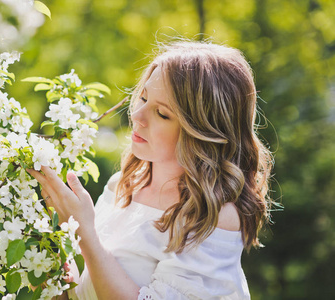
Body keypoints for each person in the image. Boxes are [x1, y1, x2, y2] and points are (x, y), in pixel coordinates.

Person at [27, 40, 273, 300]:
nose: (137, 116)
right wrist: (42, 258)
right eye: (143, 98)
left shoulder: (212, 217)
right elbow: (85, 292)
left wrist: (85, 233)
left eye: (162, 114)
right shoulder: (122, 185)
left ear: (203, 131)